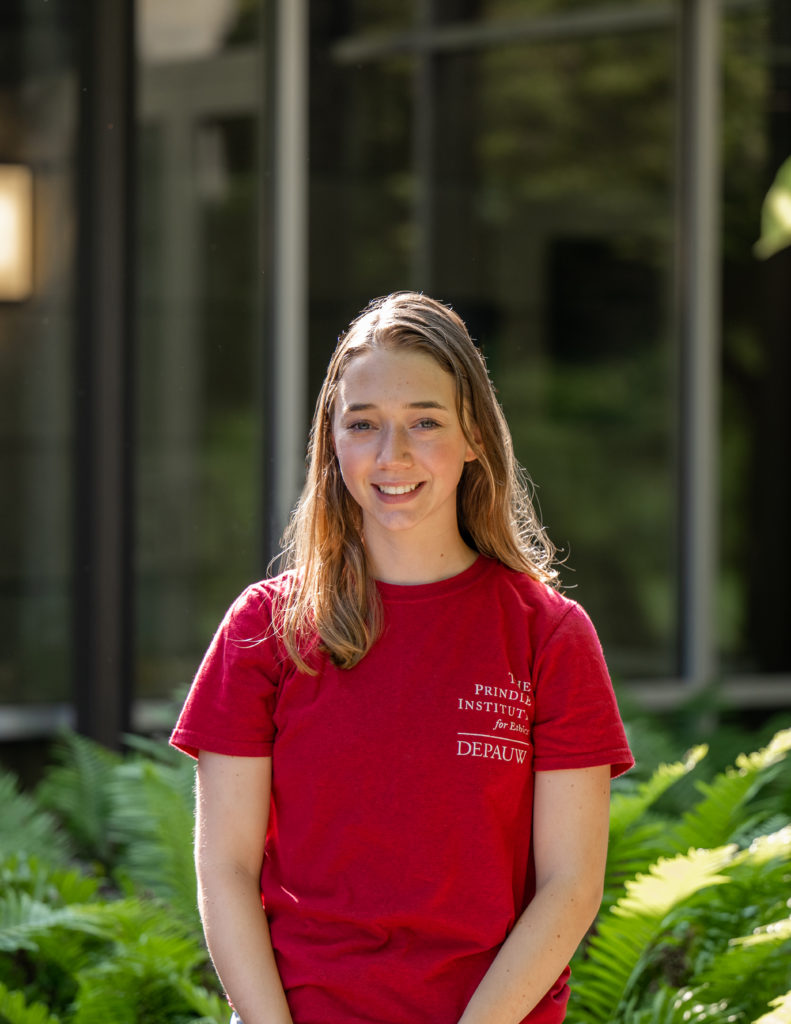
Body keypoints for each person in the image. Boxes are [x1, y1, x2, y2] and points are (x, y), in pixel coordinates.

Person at [171, 291, 634, 1024]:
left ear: (475, 435)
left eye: (424, 422)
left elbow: (570, 885)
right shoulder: (263, 630)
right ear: (332, 442)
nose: (393, 456)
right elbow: (225, 872)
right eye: (363, 425)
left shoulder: (547, 634)